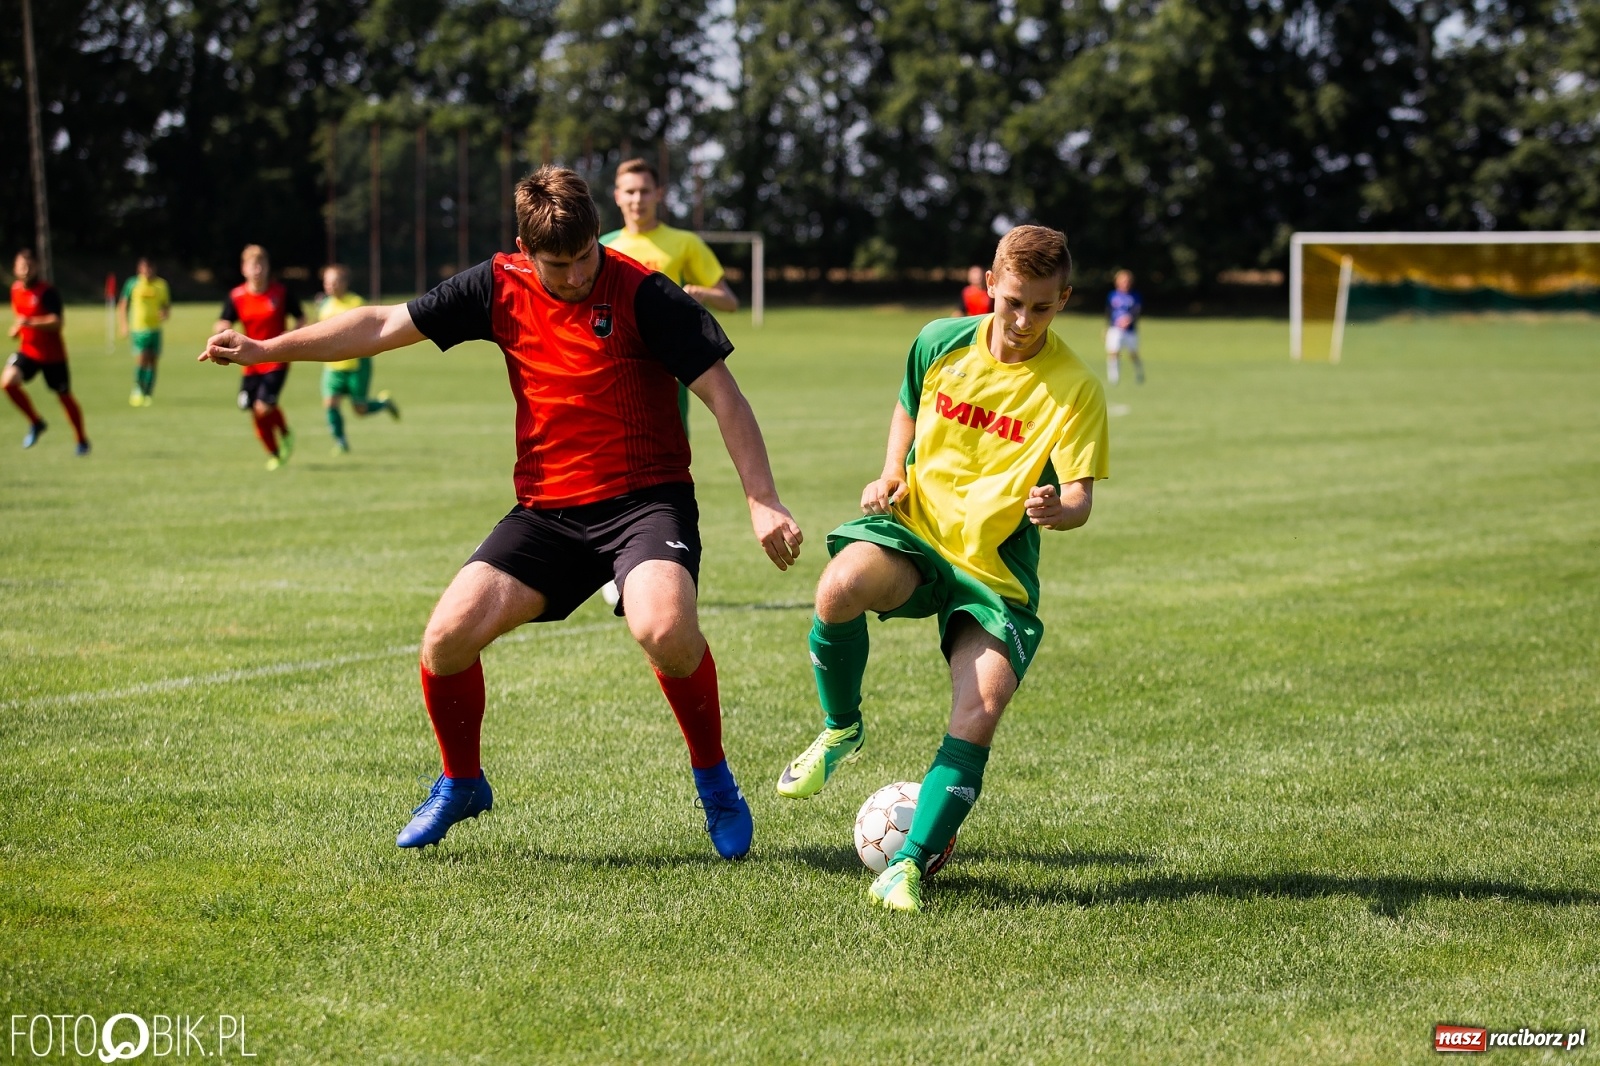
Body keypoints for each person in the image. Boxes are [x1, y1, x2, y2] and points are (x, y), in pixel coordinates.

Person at [200, 166, 804, 860]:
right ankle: (461, 782)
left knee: (663, 627)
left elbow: (724, 395)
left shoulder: (642, 291)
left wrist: (761, 499)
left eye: (586, 258)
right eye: (560, 264)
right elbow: (382, 323)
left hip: (644, 502)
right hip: (547, 511)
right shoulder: (497, 285)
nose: (578, 275)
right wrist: (266, 349)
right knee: (445, 639)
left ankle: (714, 779)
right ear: (524, 247)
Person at [774, 225, 1108, 912]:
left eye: (1041, 308)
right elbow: (907, 404)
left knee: (981, 704)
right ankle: (842, 727)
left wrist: (1058, 507)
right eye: (1012, 301)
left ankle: (909, 866)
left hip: (995, 572)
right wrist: (890, 469)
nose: (1022, 321)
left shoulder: (1074, 387)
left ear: (1063, 300)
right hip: (918, 537)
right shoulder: (938, 341)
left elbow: (1081, 499)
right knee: (839, 586)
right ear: (989, 284)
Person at [598, 157, 740, 606]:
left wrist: (696, 293)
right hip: (606, 373)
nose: (637, 199)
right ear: (617, 196)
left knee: (659, 464)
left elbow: (729, 300)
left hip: (667, 377)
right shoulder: (600, 245)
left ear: (658, 194)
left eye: (645, 190)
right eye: (629, 191)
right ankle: (616, 561)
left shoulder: (683, 243)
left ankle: (658, 560)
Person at [215, 245, 305, 470]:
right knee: (251, 408)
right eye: (252, 265)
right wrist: (221, 330)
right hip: (249, 361)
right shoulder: (236, 296)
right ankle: (274, 452)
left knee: (263, 406)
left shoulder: (280, 293)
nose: (257, 270)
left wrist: (292, 334)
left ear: (267, 268)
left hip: (277, 357)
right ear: (243, 269)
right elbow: (224, 321)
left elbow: (301, 318)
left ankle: (285, 433)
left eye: (261, 265)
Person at [5, 249, 89, 455]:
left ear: (37, 267)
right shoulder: (16, 290)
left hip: (53, 356)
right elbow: (20, 317)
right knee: (7, 382)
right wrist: (18, 329)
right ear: (15, 269)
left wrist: (30, 323)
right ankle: (36, 422)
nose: (25, 270)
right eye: (21, 266)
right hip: (28, 351)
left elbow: (57, 323)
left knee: (64, 396)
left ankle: (81, 440)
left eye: (29, 265)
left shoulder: (47, 292)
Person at [317, 264, 398, 454]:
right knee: (330, 403)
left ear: (345, 283)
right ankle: (340, 442)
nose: (331, 286)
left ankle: (384, 404)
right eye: (327, 282)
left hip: (357, 364)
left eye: (335, 282)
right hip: (333, 367)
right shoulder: (324, 306)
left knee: (359, 410)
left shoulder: (356, 303)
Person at [117, 257, 171, 406]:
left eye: (150, 268)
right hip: (139, 328)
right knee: (142, 358)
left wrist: (164, 314)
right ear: (139, 269)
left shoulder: (161, 285)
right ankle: (138, 389)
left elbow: (166, 306)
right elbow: (123, 305)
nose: (147, 271)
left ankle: (148, 392)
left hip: (155, 329)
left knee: (153, 361)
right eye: (144, 268)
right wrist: (124, 325)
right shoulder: (132, 284)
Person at [1104, 269, 1144, 385]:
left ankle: (1139, 373)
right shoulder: (1112, 295)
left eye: (1127, 281)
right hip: (1115, 329)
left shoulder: (1135, 296)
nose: (1125, 283)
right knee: (1113, 352)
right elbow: (1109, 312)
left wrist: (1129, 319)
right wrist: (1107, 328)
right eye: (1122, 280)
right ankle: (1114, 378)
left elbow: (1137, 310)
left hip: (1129, 330)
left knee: (1133, 353)